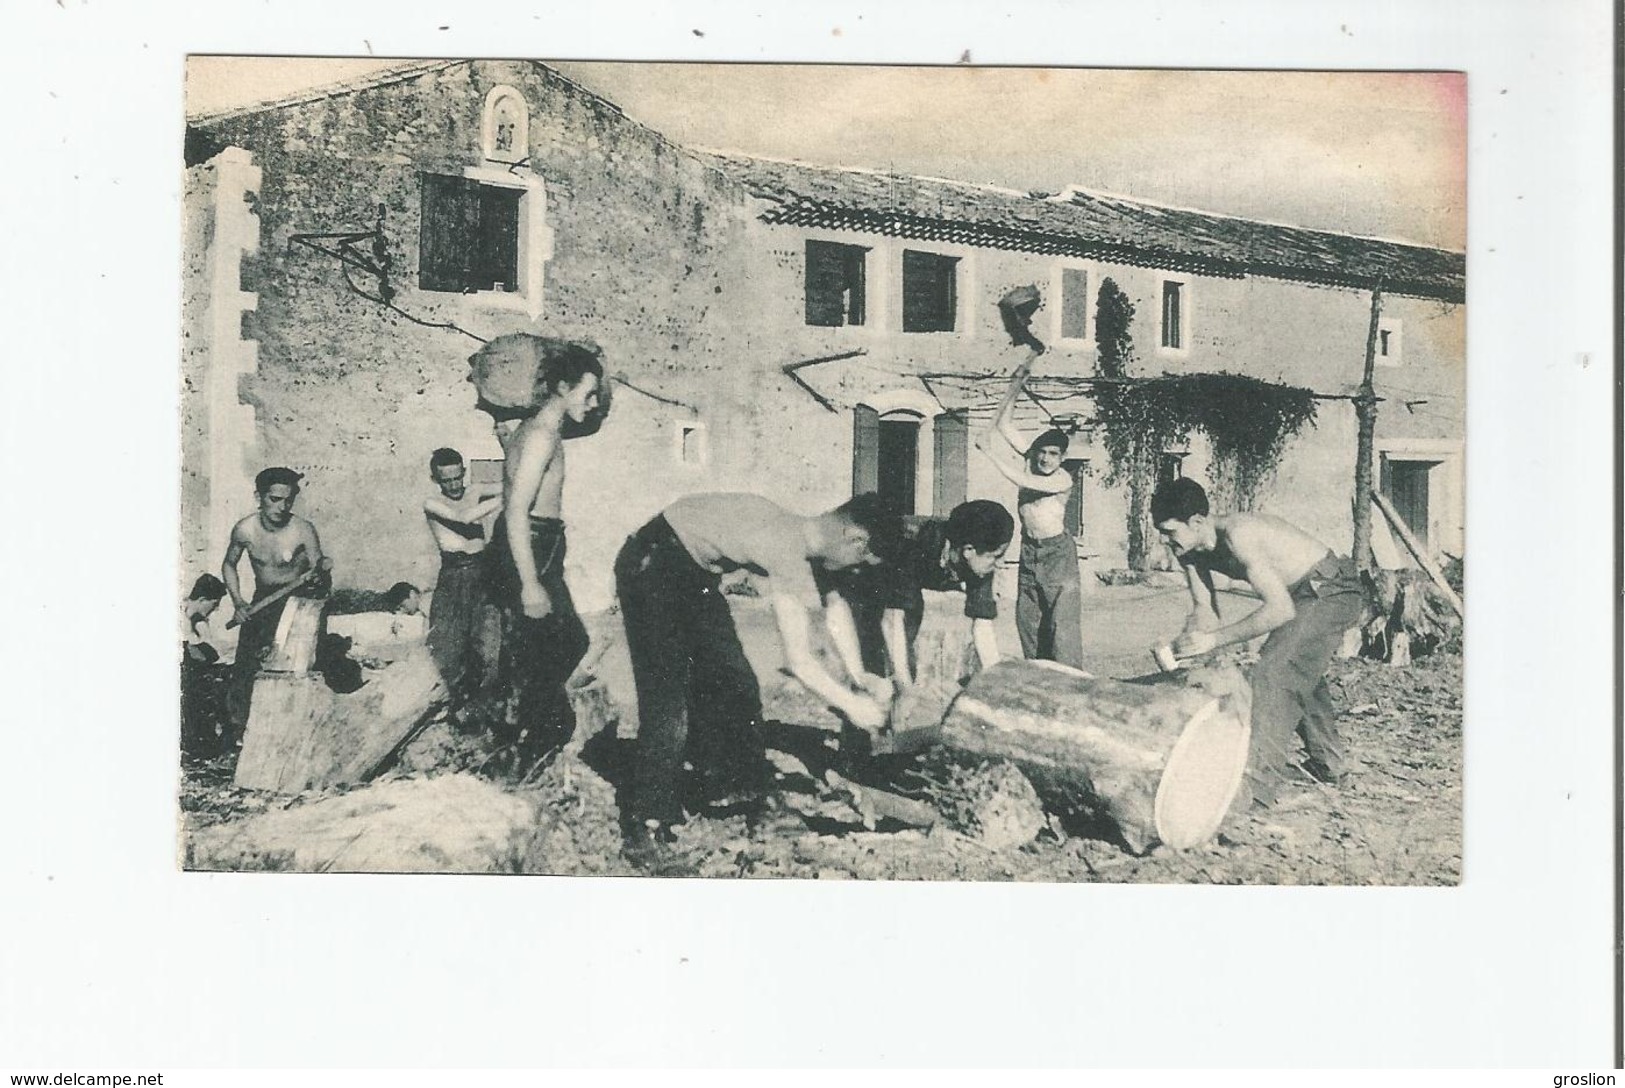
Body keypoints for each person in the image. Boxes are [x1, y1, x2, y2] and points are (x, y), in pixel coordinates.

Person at [614, 493, 896, 849]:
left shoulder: (804, 538)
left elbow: (834, 608)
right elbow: (799, 661)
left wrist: (858, 680)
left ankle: (742, 792)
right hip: (650, 564)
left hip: (691, 572)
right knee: (670, 705)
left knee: (737, 682)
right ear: (854, 539)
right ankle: (646, 824)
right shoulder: (785, 546)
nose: (858, 568)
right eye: (862, 558)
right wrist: (853, 707)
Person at [1151, 477, 1366, 807]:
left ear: (1196, 522)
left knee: (1273, 672)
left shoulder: (1240, 535)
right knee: (1298, 669)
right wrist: (1188, 646)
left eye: (1170, 532)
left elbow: (1279, 610)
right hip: (1302, 596)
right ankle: (1331, 764)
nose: (1166, 542)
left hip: (1331, 589)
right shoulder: (1190, 551)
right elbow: (1205, 610)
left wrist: (1213, 640)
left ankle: (1256, 789)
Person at [469, 334, 607, 768]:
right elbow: (514, 511)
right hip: (530, 546)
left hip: (542, 545)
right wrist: (529, 584)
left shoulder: (535, 431)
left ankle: (527, 742)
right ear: (563, 389)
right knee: (546, 650)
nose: (594, 403)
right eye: (588, 393)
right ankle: (522, 751)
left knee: (562, 643)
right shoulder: (541, 435)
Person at [819, 499, 1014, 690]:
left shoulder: (979, 563)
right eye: (995, 556)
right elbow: (892, 620)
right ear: (968, 550)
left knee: (904, 657)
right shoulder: (914, 544)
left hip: (903, 585)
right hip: (859, 570)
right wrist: (904, 687)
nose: (1001, 563)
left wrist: (994, 682)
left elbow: (982, 626)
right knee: (873, 659)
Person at [976, 372, 1084, 669]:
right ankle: (1039, 679)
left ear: (1062, 458)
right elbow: (1004, 424)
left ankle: (1071, 685)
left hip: (1058, 555)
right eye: (1042, 452)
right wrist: (1015, 386)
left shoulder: (1061, 479)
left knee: (1062, 629)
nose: (1046, 459)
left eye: (1054, 454)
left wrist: (990, 454)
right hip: (1029, 551)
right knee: (1028, 623)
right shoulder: (1031, 459)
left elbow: (1019, 479)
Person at [220, 467, 329, 746]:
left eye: (288, 500)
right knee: (246, 664)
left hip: (299, 600)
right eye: (275, 499)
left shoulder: (303, 530)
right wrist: (238, 602)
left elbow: (320, 570)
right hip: (263, 599)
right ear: (259, 497)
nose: (282, 506)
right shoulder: (245, 529)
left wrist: (319, 576)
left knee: (298, 665)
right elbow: (229, 564)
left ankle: (297, 735)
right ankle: (239, 736)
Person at [422, 447, 502, 696]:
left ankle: (488, 699)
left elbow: (512, 480)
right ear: (435, 479)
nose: (454, 485)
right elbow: (464, 518)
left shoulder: (475, 491)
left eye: (457, 478)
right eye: (446, 481)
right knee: (448, 644)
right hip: (453, 577)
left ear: (463, 472)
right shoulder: (432, 503)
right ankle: (456, 701)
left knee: (489, 640)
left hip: (482, 571)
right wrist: (508, 497)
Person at [181, 574, 229, 757]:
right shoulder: (190, 619)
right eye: (214, 604)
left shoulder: (194, 618)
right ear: (202, 600)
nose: (215, 610)